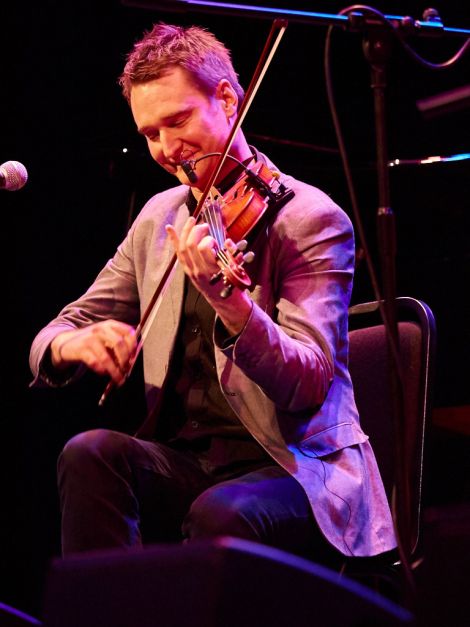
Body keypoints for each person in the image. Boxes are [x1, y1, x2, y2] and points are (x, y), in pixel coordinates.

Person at [29, 22, 396, 563]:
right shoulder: (161, 219)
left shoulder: (309, 218)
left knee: (220, 512)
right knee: (90, 453)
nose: (167, 149)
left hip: (298, 469)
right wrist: (72, 345)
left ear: (227, 98)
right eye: (150, 134)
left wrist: (233, 305)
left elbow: (309, 383)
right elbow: (56, 331)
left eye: (177, 122)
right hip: (191, 461)